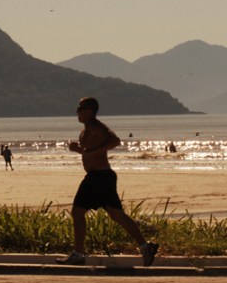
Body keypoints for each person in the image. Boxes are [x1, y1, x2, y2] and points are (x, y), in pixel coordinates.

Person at [57, 97, 159, 267]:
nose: (77, 112)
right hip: (103, 176)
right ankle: (145, 246)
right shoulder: (87, 130)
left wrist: (90, 152)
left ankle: (78, 254)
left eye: (80, 108)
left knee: (77, 212)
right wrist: (79, 150)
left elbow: (115, 141)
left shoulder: (97, 127)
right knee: (117, 215)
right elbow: (90, 152)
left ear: (89, 110)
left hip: (98, 177)